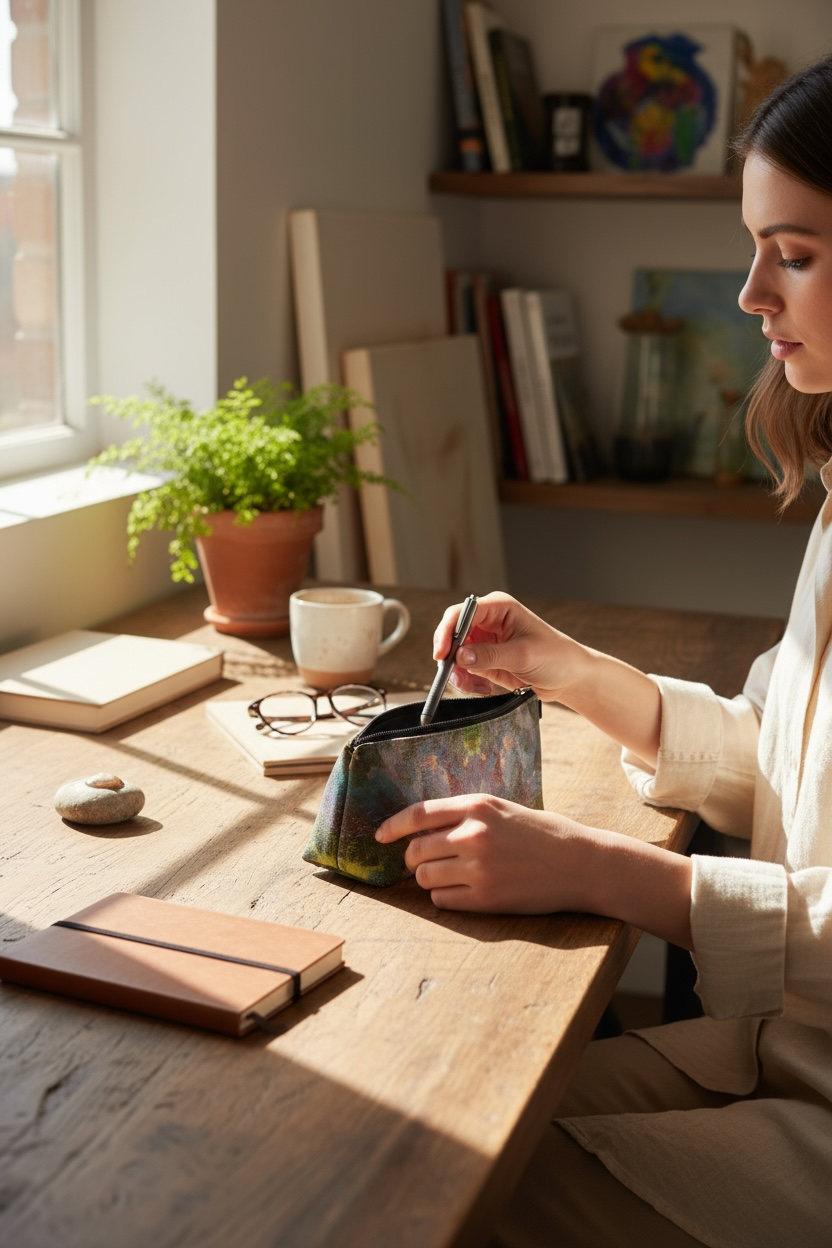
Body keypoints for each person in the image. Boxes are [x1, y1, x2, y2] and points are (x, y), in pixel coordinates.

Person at [375, 54, 832, 1248]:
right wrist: (561, 665)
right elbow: (774, 749)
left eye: (793, 252)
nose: (747, 294)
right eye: (754, 246)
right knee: (421, 1127)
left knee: (442, 1196)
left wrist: (608, 872)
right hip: (778, 1050)